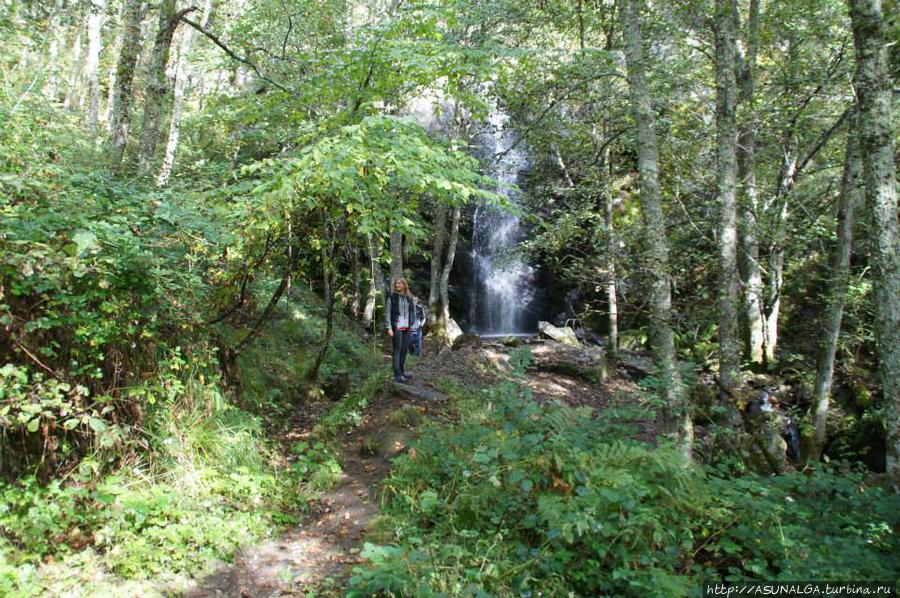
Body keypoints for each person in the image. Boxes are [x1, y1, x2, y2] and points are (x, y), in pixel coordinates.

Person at [385, 277, 415, 382]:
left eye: (399, 283)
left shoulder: (409, 298)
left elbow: (413, 312)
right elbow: (388, 313)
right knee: (397, 350)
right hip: (396, 327)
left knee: (404, 350)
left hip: (407, 327)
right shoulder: (392, 298)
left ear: (404, 285)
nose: (397, 285)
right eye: (396, 283)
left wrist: (412, 325)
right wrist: (389, 328)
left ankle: (402, 372)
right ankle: (397, 375)